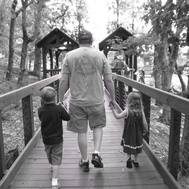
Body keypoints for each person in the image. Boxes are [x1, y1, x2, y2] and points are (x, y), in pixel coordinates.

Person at [59, 29, 115, 172]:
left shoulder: (69, 56)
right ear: (91, 41)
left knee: (81, 132)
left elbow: (63, 80)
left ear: (79, 41)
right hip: (96, 100)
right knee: (98, 126)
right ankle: (96, 153)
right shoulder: (100, 55)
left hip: (77, 101)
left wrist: (61, 99)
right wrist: (113, 98)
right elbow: (108, 79)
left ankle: (84, 161)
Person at [38, 86, 70, 188]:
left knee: (49, 154)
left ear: (42, 99)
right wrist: (64, 107)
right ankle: (54, 181)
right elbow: (67, 117)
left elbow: (43, 116)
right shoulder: (59, 109)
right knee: (57, 158)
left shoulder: (40, 110)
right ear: (55, 97)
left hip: (46, 139)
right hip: (57, 139)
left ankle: (51, 165)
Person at [110, 92, 148, 168]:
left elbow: (118, 116)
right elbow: (144, 123)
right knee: (136, 145)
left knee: (129, 146)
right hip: (138, 134)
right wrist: (145, 130)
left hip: (128, 133)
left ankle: (129, 159)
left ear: (129, 101)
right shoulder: (141, 111)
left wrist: (113, 109)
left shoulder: (127, 111)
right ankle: (136, 161)